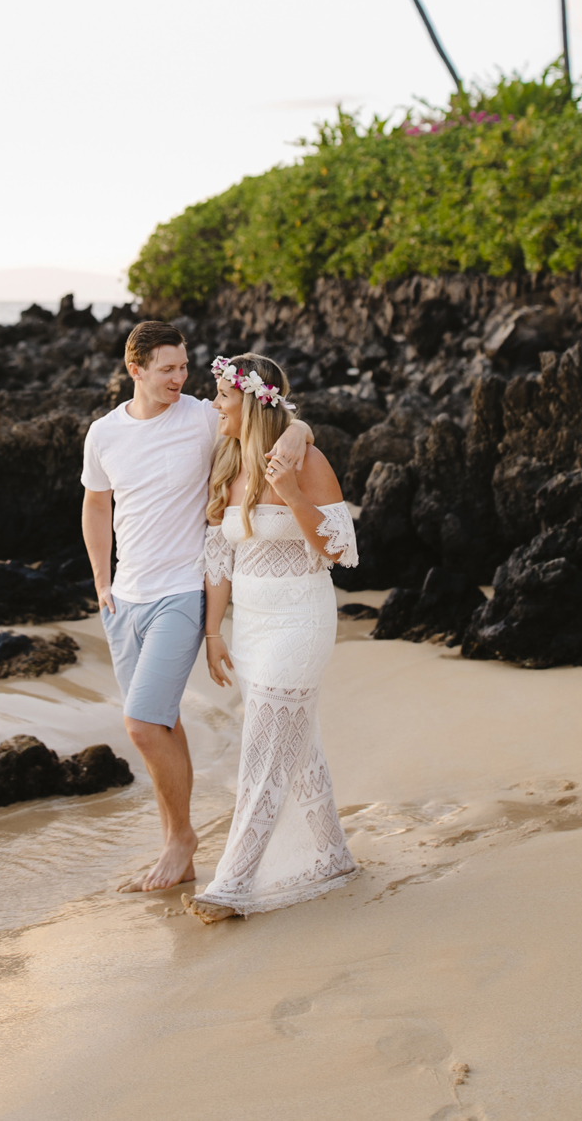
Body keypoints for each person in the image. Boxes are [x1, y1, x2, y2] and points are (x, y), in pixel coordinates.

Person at [80, 320, 312, 894]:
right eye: (168, 370)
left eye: (185, 367)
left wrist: (298, 431)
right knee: (162, 721)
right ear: (136, 370)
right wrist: (101, 581)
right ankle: (174, 847)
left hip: (181, 591)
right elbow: (95, 507)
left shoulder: (202, 417)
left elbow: (272, 415)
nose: (181, 379)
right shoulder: (104, 434)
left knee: (140, 724)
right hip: (124, 600)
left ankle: (182, 838)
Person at [184, 350, 360, 923]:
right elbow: (218, 558)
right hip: (253, 627)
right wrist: (213, 630)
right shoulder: (227, 460)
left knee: (263, 748)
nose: (215, 407)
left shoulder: (305, 463)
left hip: (301, 622)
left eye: (224, 398)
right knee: (297, 743)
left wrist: (290, 492)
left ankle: (231, 884)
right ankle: (331, 854)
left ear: (254, 403)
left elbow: (340, 549)